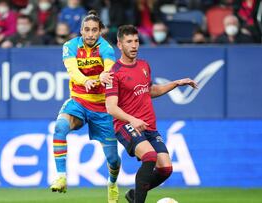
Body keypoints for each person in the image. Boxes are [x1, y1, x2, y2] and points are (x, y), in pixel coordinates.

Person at [105, 25, 198, 203]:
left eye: (136, 41)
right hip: (126, 126)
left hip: (149, 127)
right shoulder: (114, 73)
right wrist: (133, 120)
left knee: (165, 168)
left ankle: (134, 195)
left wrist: (177, 83)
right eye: (129, 41)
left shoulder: (144, 66)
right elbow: (111, 107)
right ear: (119, 44)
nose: (134, 45)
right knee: (149, 156)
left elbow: (150, 90)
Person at [49, 10, 121, 203]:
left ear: (100, 32)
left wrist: (104, 76)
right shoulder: (70, 46)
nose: (90, 34)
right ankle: (62, 176)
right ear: (81, 30)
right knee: (60, 127)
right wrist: (88, 80)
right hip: (79, 102)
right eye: (87, 30)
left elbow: (108, 70)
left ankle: (112, 184)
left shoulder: (106, 48)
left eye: (94, 30)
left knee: (113, 160)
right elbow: (72, 71)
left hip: (103, 108)